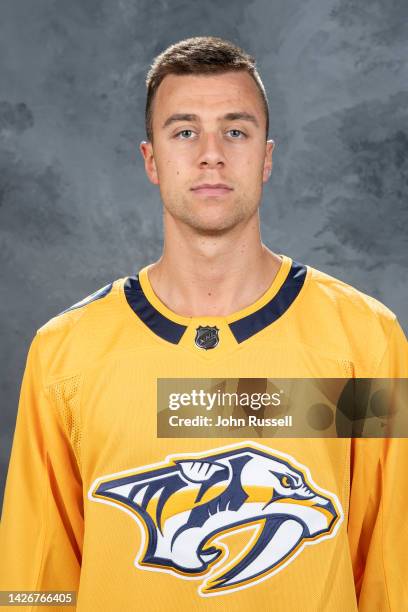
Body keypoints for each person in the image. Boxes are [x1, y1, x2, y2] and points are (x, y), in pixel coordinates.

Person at [1, 36, 407, 611]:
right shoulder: (65, 354)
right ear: (152, 160)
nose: (211, 153)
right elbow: (36, 580)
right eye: (185, 131)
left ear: (266, 157)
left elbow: (392, 564)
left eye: (236, 131)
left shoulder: (366, 341)